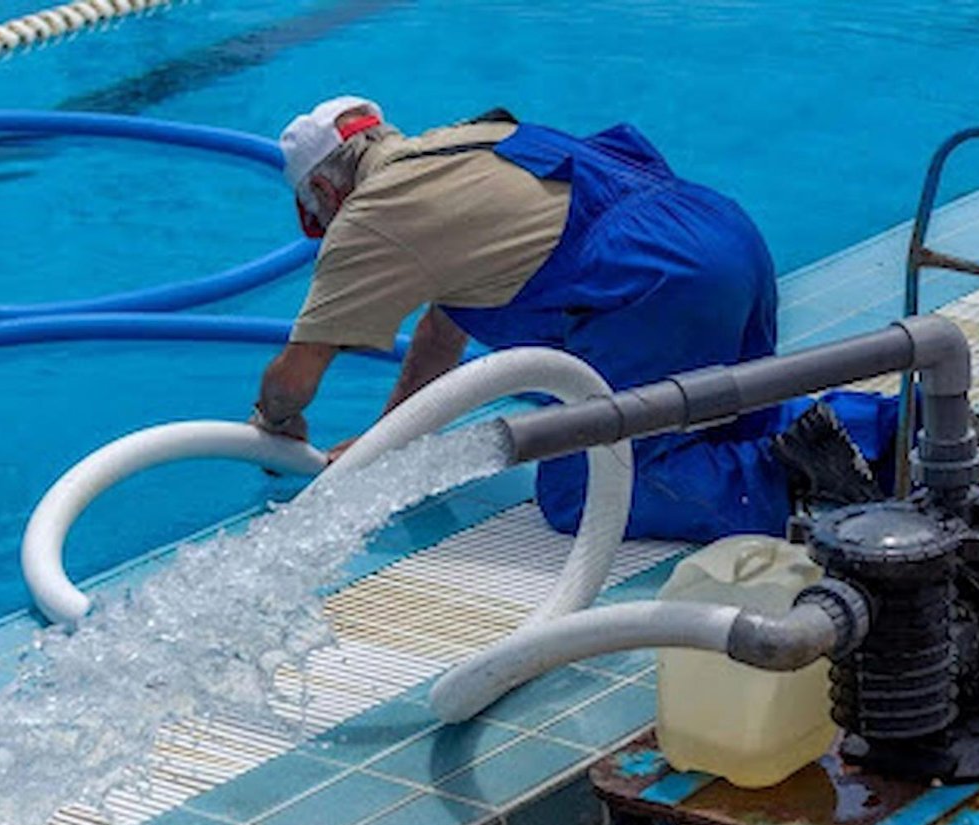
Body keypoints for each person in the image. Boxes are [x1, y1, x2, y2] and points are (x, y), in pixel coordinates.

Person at [248, 95, 911, 543]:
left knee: (581, 492)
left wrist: (275, 423)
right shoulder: (466, 143)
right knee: (731, 419)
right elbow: (441, 330)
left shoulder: (370, 219)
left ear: (326, 194)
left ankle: (787, 485)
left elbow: (294, 381)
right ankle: (890, 435)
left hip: (652, 283)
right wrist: (385, 442)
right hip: (722, 234)